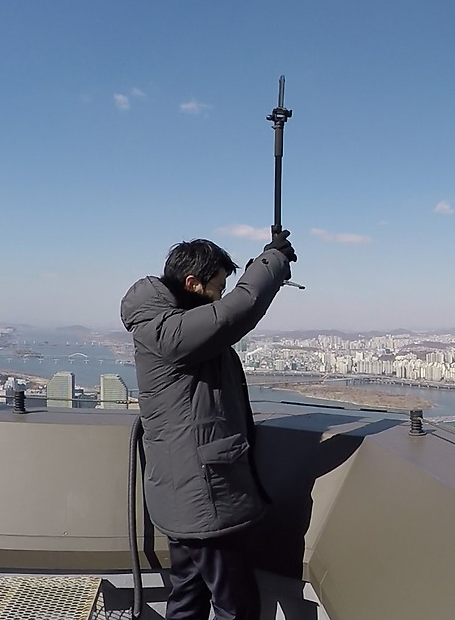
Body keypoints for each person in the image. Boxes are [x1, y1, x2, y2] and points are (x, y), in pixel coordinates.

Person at [120, 232, 297, 620]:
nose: (221, 296)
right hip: (203, 499)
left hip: (184, 497)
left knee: (188, 596)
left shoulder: (167, 327)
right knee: (237, 606)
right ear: (192, 283)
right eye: (217, 286)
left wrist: (256, 268)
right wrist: (272, 262)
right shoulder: (168, 332)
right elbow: (238, 309)